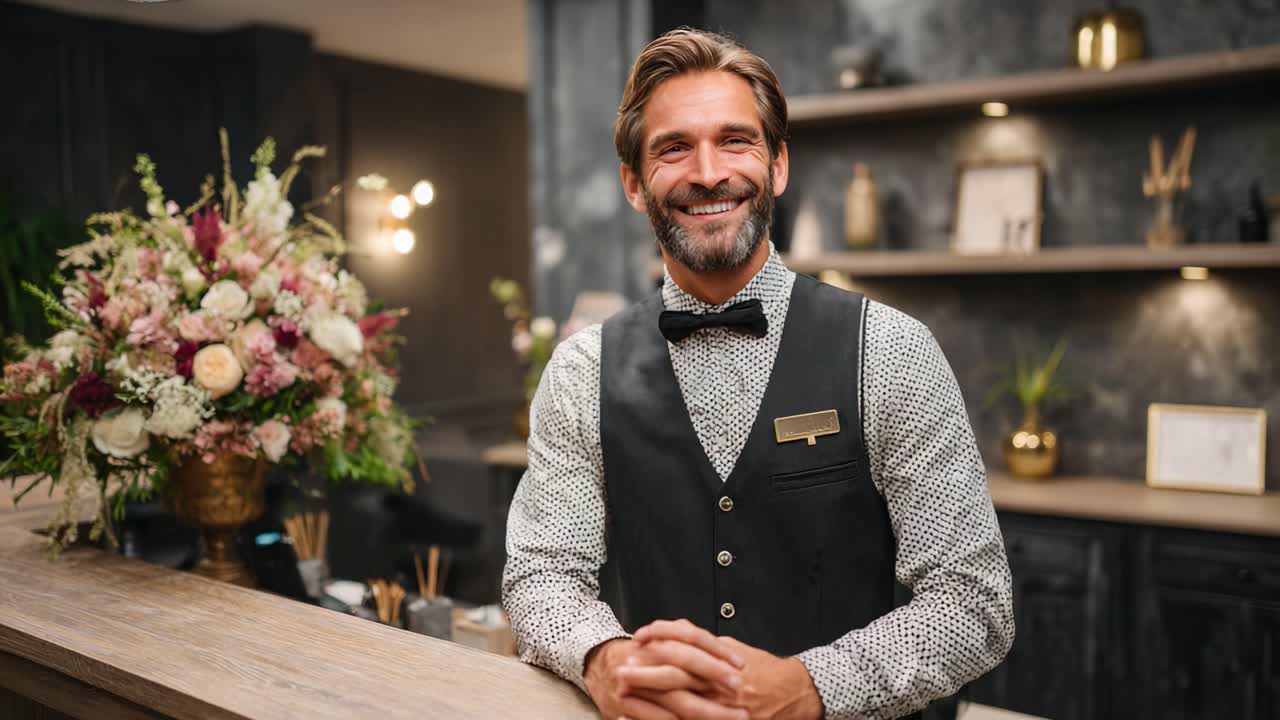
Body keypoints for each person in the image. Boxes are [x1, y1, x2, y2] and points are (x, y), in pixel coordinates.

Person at [503, 28, 1014, 720]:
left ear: (777, 166)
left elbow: (973, 603)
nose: (708, 172)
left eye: (735, 141)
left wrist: (812, 687)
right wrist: (604, 658)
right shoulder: (579, 372)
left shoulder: (891, 350)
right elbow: (540, 574)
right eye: (673, 148)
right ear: (632, 182)